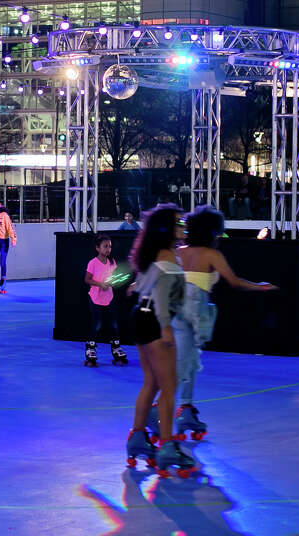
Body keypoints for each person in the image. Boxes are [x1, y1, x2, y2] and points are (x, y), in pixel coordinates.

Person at [173, 206, 277, 439]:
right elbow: (235, 282)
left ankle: (185, 408)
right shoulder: (211, 255)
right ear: (210, 231)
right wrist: (259, 287)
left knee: (187, 362)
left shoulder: (180, 252)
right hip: (196, 309)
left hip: (176, 310)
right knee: (184, 365)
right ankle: (164, 412)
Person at [124, 205, 195, 478]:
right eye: (178, 223)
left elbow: (141, 285)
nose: (183, 227)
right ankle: (166, 446)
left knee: (152, 383)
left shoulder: (158, 254)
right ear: (166, 229)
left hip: (140, 316)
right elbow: (163, 296)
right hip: (154, 320)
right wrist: (165, 328)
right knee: (169, 386)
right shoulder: (167, 255)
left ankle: (138, 438)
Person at [83, 235, 127, 367]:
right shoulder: (93, 263)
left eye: (110, 246)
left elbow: (112, 278)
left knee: (114, 325)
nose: (108, 249)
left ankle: (116, 350)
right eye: (105, 246)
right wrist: (99, 284)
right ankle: (91, 351)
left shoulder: (112, 262)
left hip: (109, 299)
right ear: (97, 248)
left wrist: (112, 282)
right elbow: (87, 279)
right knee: (96, 325)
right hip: (96, 299)